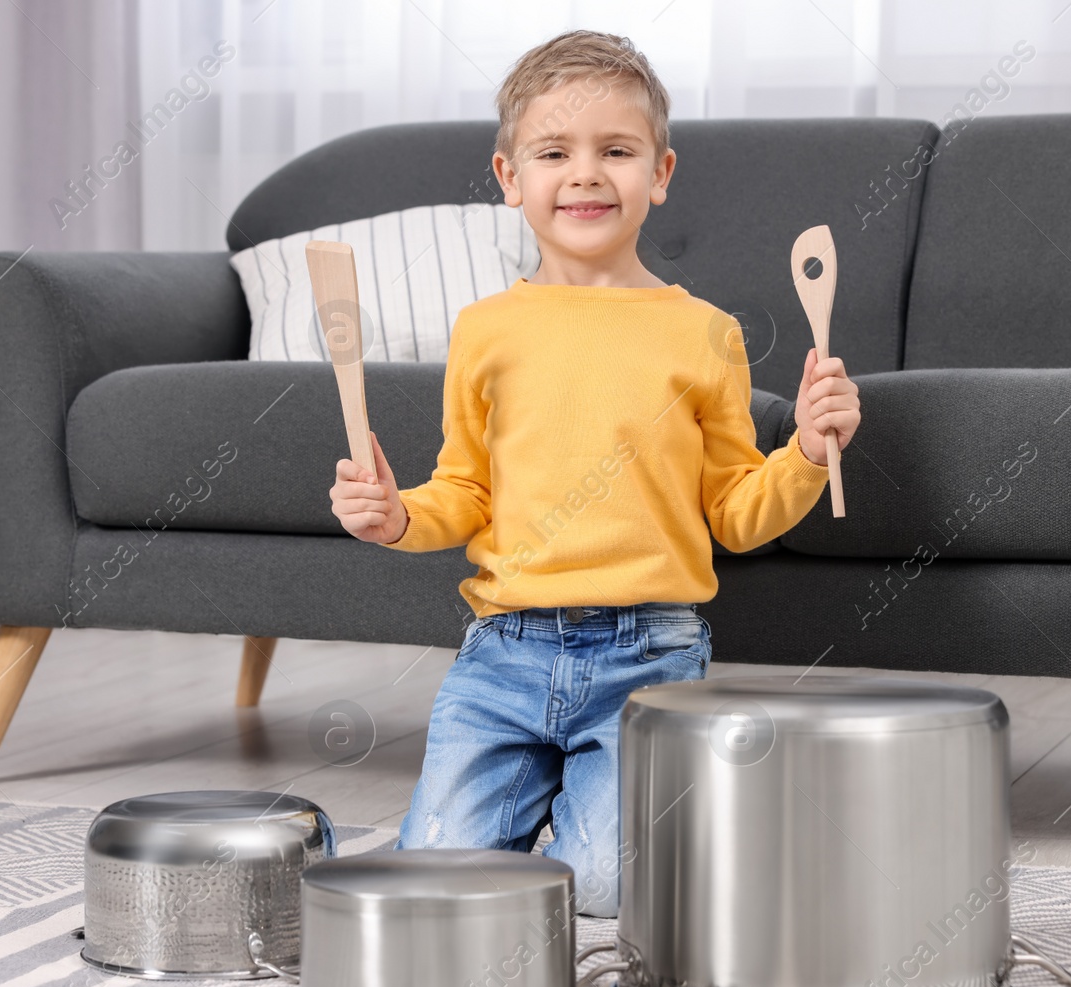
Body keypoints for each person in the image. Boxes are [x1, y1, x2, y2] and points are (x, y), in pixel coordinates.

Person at [329, 29, 860, 917]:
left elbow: (732, 512)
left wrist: (805, 452)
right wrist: (396, 516)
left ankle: (623, 826)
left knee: (610, 893)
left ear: (659, 173)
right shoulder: (484, 331)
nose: (584, 174)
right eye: (554, 152)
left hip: (648, 659)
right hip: (502, 657)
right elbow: (463, 490)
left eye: (616, 151)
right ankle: (523, 825)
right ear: (509, 178)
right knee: (433, 886)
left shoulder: (704, 333)